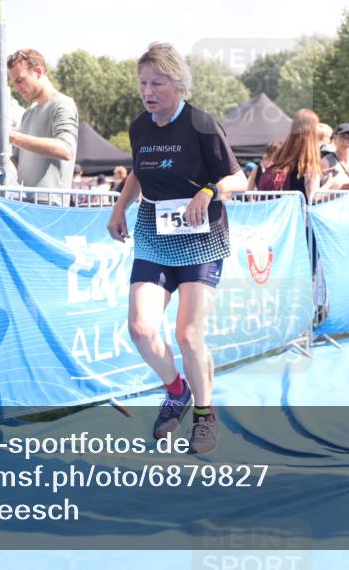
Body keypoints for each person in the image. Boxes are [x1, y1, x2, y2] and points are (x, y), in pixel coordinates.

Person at [107, 42, 247, 454]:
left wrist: (208, 191)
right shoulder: (140, 127)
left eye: (157, 83)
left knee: (188, 335)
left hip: (202, 234)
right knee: (141, 329)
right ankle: (176, 390)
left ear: (178, 84)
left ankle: (205, 417)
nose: (148, 91)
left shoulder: (202, 124)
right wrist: (119, 208)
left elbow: (240, 180)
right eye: (142, 83)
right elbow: (138, 171)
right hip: (153, 229)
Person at [6, 48, 79, 204]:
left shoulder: (62, 104)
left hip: (50, 209)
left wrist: (13, 137)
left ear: (38, 72)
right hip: (24, 205)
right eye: (14, 83)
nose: (16, 88)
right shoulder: (28, 113)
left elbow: (65, 150)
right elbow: (18, 162)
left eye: (20, 80)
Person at [258, 109, 326, 199]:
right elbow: (312, 196)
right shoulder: (309, 163)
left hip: (282, 210)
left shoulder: (284, 157)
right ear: (312, 130)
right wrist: (332, 184)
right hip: (300, 211)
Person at [320, 122, 349, 190]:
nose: (345, 142)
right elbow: (323, 189)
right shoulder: (326, 161)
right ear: (335, 138)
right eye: (342, 137)